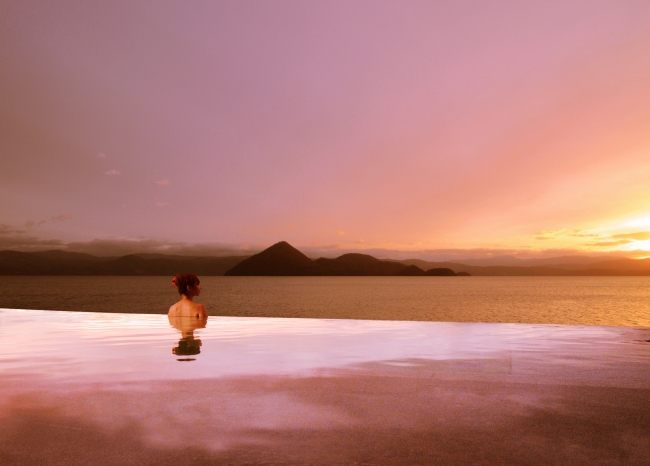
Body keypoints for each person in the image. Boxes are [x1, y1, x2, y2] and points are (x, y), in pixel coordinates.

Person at [168, 273, 207, 358]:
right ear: (189, 288)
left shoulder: (172, 309)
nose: (200, 287)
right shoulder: (199, 308)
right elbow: (203, 325)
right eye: (198, 285)